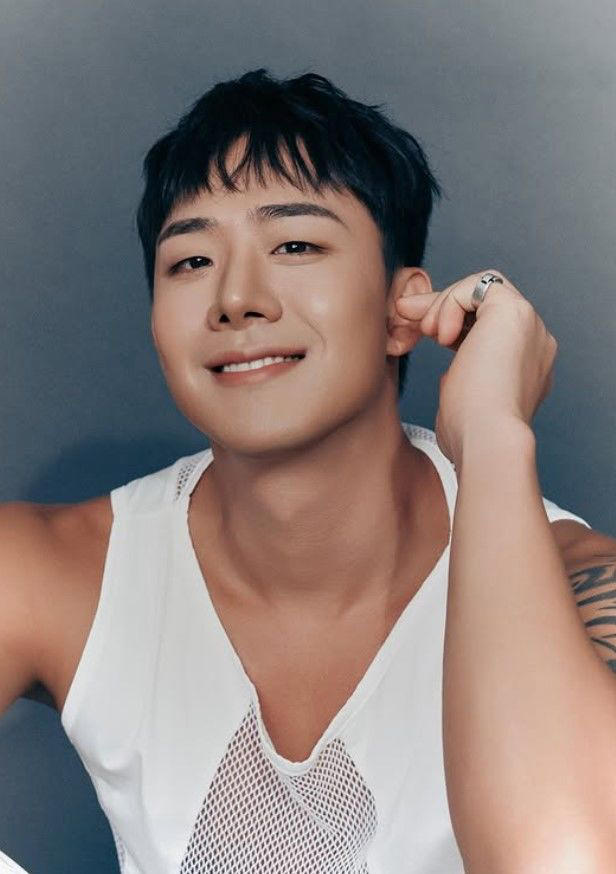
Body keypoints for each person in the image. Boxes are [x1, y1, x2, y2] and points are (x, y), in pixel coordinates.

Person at [2, 67, 616, 873]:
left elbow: (562, 863)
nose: (236, 298)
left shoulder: (584, 584)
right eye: (190, 261)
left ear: (403, 308)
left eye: (295, 245)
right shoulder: (50, 570)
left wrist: (495, 435)